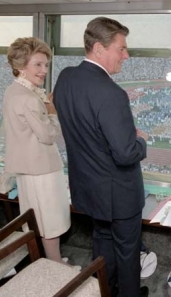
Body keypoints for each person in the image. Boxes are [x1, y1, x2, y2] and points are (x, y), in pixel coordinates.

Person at [53, 17, 149, 297]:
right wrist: (140, 140)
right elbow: (126, 153)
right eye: (121, 49)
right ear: (98, 48)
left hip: (89, 188)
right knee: (128, 251)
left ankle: (104, 290)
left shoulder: (65, 78)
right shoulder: (112, 93)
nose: (126, 55)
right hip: (119, 193)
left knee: (103, 243)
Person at [3, 37, 71, 265]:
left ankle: (52, 263)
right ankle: (56, 267)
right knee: (50, 222)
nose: (44, 71)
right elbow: (48, 135)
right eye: (38, 65)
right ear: (21, 67)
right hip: (41, 170)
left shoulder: (12, 91)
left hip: (27, 169)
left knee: (39, 221)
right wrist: (51, 111)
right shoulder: (28, 98)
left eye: (46, 65)